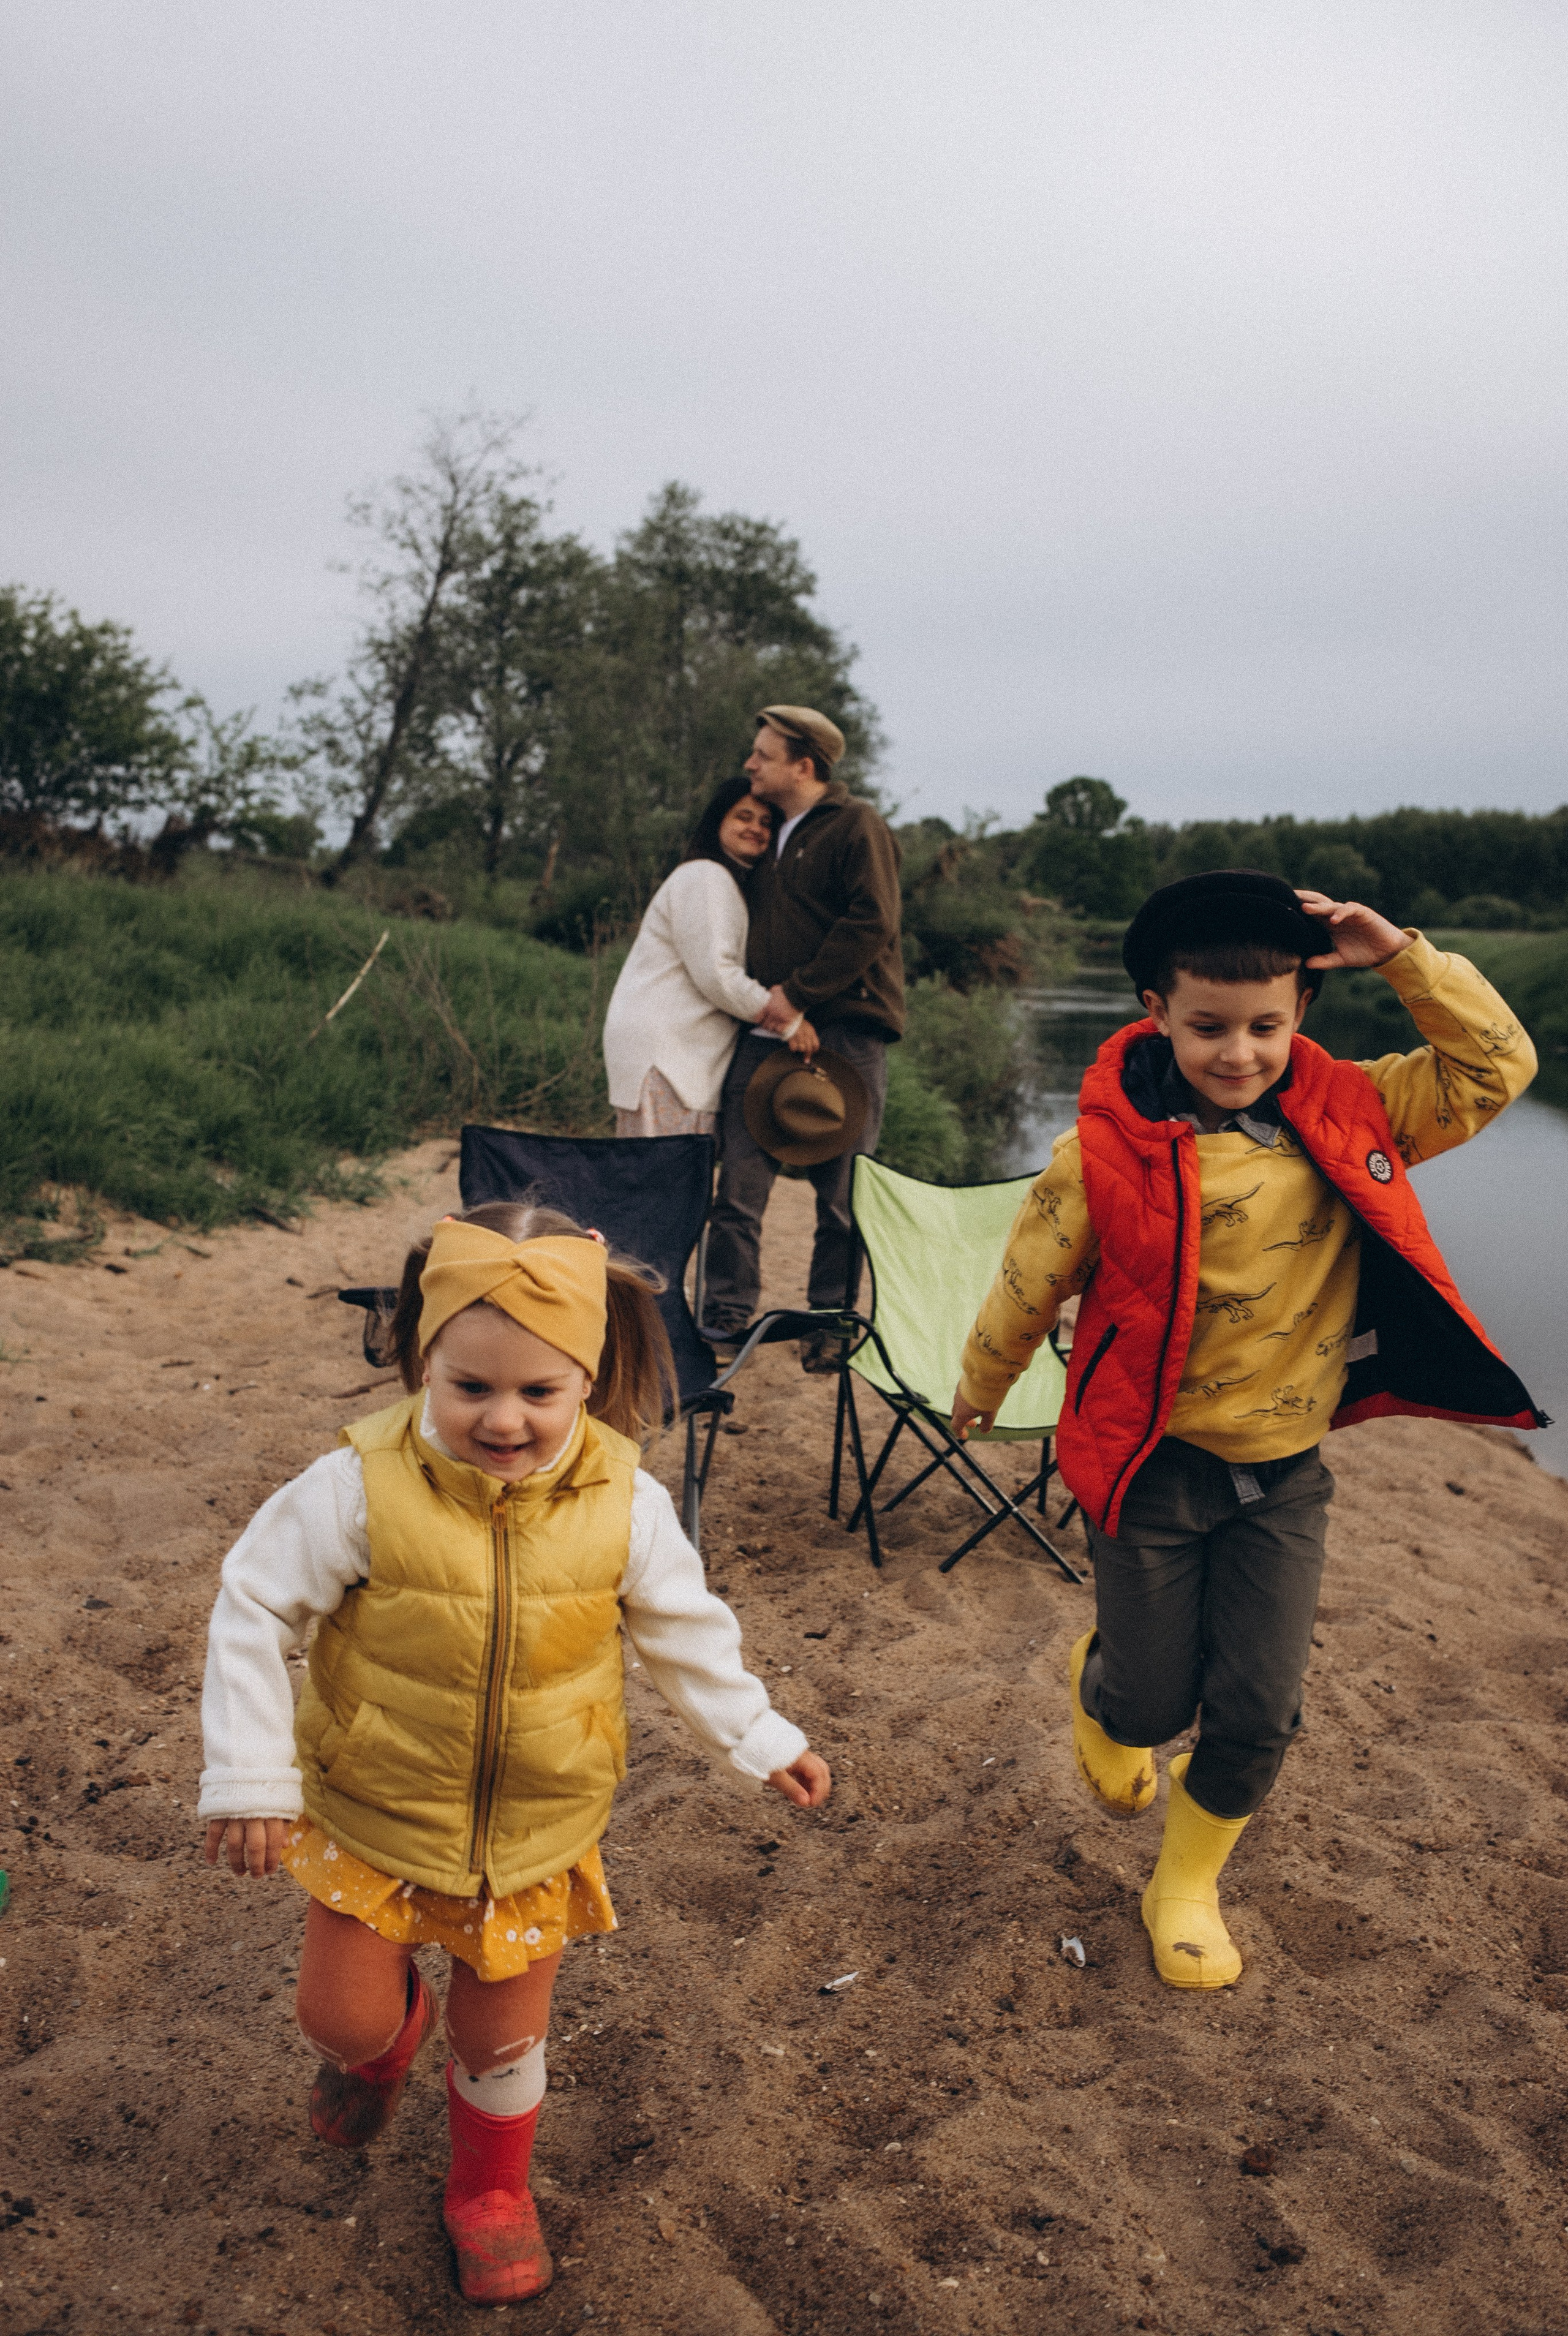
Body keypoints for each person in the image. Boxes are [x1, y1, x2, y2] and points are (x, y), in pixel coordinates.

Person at [199, 1205, 830, 2307]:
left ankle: (491, 2192)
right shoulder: (356, 1488)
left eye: (539, 1391)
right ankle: (389, 2045)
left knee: (501, 2042)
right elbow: (253, 1607)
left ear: (588, 1378)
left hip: (538, 1829)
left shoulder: (626, 1504)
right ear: (422, 1364)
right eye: (470, 1386)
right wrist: (252, 1777)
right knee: (339, 2021)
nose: (503, 1419)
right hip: (377, 1812)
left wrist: (759, 1735)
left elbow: (686, 1634)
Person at [952, 870, 1544, 1992]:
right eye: (1209, 1027)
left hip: (1283, 1476)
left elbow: (1496, 1065)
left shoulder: (1358, 1112)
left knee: (1261, 1713)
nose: (1239, 1053)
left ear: (1301, 1013)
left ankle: (1183, 1886)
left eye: (1266, 1026)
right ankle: (1104, 1685)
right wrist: (984, 1381)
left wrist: (1403, 955)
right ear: (1156, 1012)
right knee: (1148, 1703)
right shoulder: (1103, 1153)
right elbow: (1032, 1277)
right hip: (1152, 1470)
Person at [701, 705, 905, 1371]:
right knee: (738, 1187)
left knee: (842, 1198)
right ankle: (723, 1318)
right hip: (769, 1026)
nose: (750, 765)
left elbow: (872, 920)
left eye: (762, 755)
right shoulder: (765, 834)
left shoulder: (856, 825)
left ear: (803, 766)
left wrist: (799, 994)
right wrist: (779, 1007)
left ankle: (830, 1326)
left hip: (846, 1031)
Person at [601, 776, 818, 1139]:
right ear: (718, 821)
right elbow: (718, 975)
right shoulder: (706, 877)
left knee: (663, 1168)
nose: (755, 829)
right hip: (667, 1055)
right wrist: (787, 1021)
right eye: (743, 817)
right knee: (661, 1168)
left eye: (766, 823)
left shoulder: (725, 882)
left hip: (678, 1054)